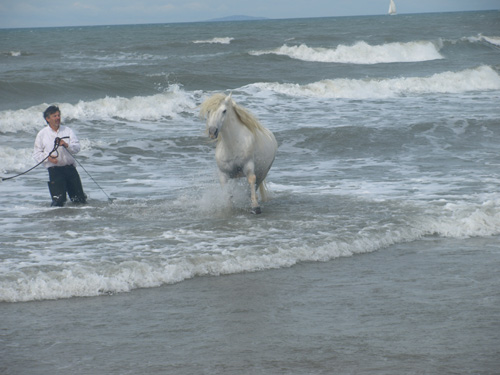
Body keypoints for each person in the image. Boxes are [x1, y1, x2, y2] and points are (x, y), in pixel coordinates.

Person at [33, 105, 87, 207]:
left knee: (79, 200)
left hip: (70, 169)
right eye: (54, 116)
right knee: (58, 202)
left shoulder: (68, 130)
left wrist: (66, 145)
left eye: (58, 115)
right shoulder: (42, 134)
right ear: (47, 119)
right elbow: (36, 154)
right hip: (54, 171)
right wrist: (48, 157)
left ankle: (80, 220)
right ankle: (58, 221)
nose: (58, 118)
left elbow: (77, 148)